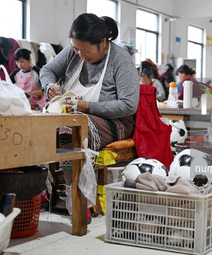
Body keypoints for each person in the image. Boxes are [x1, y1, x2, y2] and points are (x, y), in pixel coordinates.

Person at [39, 13, 139, 213]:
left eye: (85, 50)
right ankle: (41, 192)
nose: (79, 54)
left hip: (115, 121)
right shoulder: (73, 52)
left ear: (102, 42)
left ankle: (76, 199)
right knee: (36, 124)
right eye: (75, 48)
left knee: (70, 128)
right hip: (75, 115)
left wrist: (89, 107)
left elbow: (129, 105)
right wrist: (49, 85)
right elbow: (46, 70)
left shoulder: (121, 60)